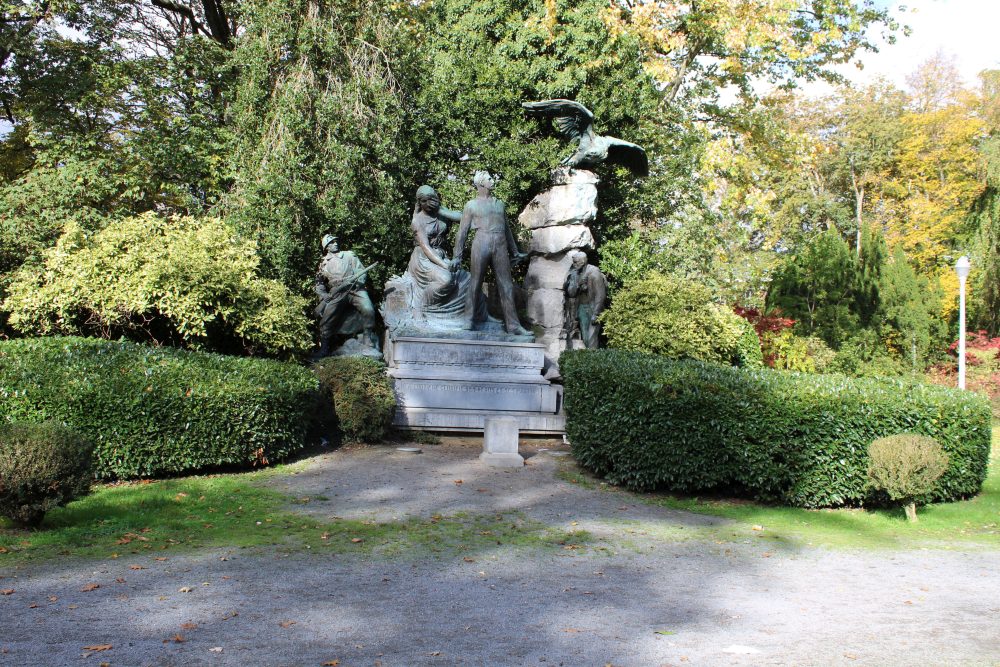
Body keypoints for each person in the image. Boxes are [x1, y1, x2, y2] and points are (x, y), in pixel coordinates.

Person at [452, 171, 529, 335]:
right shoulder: (471, 205)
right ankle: (468, 320)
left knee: (507, 285)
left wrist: (515, 251)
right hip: (481, 242)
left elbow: (507, 229)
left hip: (500, 244)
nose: (492, 180)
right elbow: (462, 233)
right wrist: (457, 256)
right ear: (481, 183)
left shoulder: (499, 204)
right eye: (489, 178)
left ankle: (513, 325)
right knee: (475, 283)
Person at [314, 234, 378, 356]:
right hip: (337, 293)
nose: (336, 244)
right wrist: (324, 295)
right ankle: (324, 349)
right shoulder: (323, 263)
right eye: (332, 243)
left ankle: (367, 337)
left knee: (368, 309)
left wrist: (358, 281)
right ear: (326, 247)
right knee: (326, 319)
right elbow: (319, 283)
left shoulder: (349, 255)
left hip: (355, 289)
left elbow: (360, 270)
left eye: (336, 241)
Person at [563, 250, 607, 349]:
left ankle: (593, 361)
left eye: (575, 262)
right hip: (582, 308)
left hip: (593, 308)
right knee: (586, 337)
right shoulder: (575, 273)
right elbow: (571, 293)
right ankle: (589, 360)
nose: (573, 264)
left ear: (582, 262)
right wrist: (578, 284)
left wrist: (596, 313)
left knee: (592, 338)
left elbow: (601, 295)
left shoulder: (594, 273)